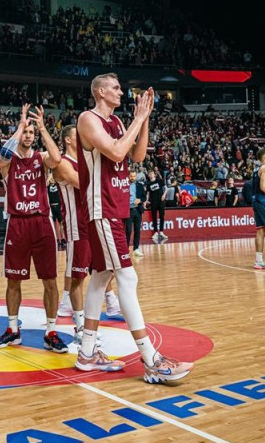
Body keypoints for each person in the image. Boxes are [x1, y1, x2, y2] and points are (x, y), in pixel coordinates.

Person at [75, 73, 192, 383]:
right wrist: (137, 119)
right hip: (101, 209)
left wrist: (145, 120)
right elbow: (115, 152)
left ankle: (87, 353)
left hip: (115, 207)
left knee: (100, 279)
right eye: (115, 87)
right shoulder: (88, 118)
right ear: (100, 91)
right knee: (128, 276)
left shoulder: (116, 124)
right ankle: (150, 358)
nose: (121, 91)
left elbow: (137, 155)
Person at [0, 105, 68, 353]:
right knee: (13, 281)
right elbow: (1, 156)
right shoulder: (8, 162)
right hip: (18, 223)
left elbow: (56, 159)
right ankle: (13, 330)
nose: (28, 135)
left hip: (41, 222)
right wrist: (20, 126)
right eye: (26, 132)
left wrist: (43, 128)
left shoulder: (41, 158)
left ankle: (51, 331)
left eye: (31, 132)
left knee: (50, 280)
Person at [53, 125, 121, 344]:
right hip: (77, 228)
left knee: (105, 268)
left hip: (94, 223)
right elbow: (81, 183)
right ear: (68, 140)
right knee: (77, 279)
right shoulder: (63, 162)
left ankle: (108, 304)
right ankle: (80, 327)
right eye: (77, 136)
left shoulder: (86, 162)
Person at [125, 170, 146, 257]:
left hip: (138, 210)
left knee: (137, 230)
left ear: (136, 177)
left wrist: (140, 200)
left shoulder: (140, 186)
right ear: (128, 176)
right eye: (131, 176)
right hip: (128, 211)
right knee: (128, 231)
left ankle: (136, 249)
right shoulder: (124, 185)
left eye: (134, 176)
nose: (133, 178)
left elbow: (144, 197)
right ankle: (125, 250)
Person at [144, 170, 166, 243]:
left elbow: (166, 188)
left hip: (161, 201)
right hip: (153, 202)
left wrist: (164, 195)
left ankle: (162, 232)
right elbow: (147, 194)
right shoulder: (148, 184)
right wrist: (146, 200)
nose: (151, 174)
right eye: (149, 173)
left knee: (162, 216)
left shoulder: (159, 180)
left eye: (152, 173)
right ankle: (156, 232)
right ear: (148, 175)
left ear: (154, 174)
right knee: (154, 217)